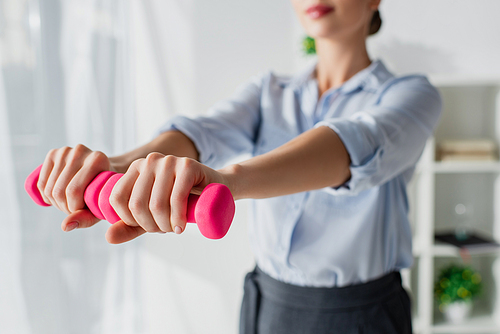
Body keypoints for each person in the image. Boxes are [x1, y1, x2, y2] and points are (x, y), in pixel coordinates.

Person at [35, 0, 442, 333]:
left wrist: (228, 182)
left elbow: (352, 145)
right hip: (267, 304)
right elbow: (201, 133)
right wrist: (120, 164)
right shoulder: (269, 92)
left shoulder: (412, 95)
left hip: (361, 315)